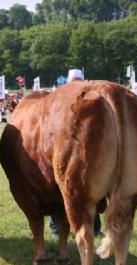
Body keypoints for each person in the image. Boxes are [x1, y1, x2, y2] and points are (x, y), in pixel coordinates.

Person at [49, 68, 101, 236]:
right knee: (89, 190)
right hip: (84, 149)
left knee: (64, 186)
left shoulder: (61, 96)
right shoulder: (93, 95)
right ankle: (91, 226)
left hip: (70, 148)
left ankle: (60, 226)